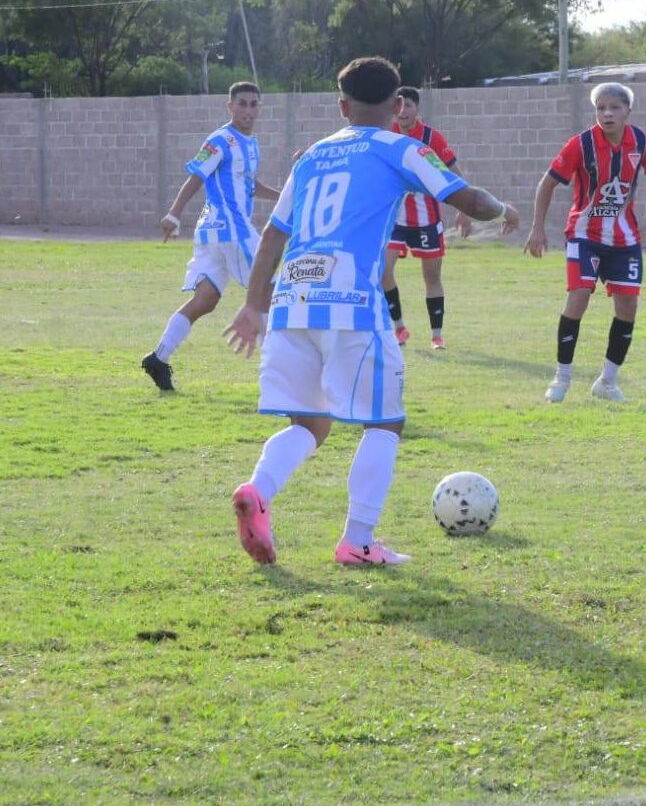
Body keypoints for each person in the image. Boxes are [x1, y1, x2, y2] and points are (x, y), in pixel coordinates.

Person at [223, 57, 519, 567]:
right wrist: (505, 210)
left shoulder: (312, 156)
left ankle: (258, 488)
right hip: (352, 304)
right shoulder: (402, 147)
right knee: (385, 424)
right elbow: (465, 198)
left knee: (310, 424)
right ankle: (357, 541)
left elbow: (273, 234)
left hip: (291, 299)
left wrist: (253, 303)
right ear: (398, 106)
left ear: (342, 105)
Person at [524, 82, 646, 403]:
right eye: (600, 108)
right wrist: (538, 228)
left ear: (627, 111)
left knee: (628, 307)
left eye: (614, 107)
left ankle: (607, 381)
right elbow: (547, 184)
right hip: (584, 234)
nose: (606, 113)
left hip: (625, 238)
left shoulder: (643, 141)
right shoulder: (580, 145)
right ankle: (561, 377)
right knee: (579, 296)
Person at [141, 81, 281, 391]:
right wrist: (174, 212)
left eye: (253, 104)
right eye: (241, 103)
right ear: (229, 106)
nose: (248, 109)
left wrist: (282, 196)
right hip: (231, 229)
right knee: (270, 292)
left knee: (205, 300)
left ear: (260, 108)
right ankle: (283, 377)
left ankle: (158, 358)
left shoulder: (251, 143)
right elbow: (197, 176)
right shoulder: (221, 140)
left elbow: (250, 185)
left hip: (211, 233)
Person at [380, 86, 470, 351]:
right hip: (395, 218)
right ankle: (399, 328)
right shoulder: (386, 136)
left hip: (427, 218)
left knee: (431, 276)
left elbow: (454, 172)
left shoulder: (431, 137)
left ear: (417, 109)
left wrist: (463, 209)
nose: (403, 111)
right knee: (383, 270)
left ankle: (436, 335)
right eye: (399, 105)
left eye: (409, 105)